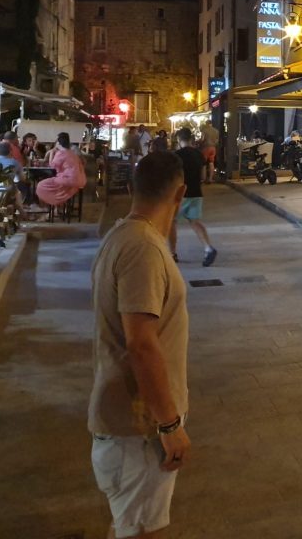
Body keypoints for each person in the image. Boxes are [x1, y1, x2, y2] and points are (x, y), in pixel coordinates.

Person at [89, 151, 191, 538]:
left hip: (128, 427)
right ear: (179, 194)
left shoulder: (122, 235)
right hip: (138, 430)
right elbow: (141, 344)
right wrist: (168, 424)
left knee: (129, 527)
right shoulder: (144, 249)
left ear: (132, 188)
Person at [169, 128, 217, 267]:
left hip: (181, 194)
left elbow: (174, 177)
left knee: (172, 222)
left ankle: (173, 253)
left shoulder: (176, 156)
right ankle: (208, 248)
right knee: (194, 221)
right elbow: (202, 176)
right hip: (197, 192)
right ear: (191, 139)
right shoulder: (199, 155)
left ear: (179, 139)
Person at [36, 133, 88, 209]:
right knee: (56, 186)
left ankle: (53, 206)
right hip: (80, 180)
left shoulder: (61, 153)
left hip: (68, 180)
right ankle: (59, 208)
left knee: (41, 185)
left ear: (58, 143)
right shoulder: (72, 153)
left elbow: (52, 165)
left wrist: (51, 152)